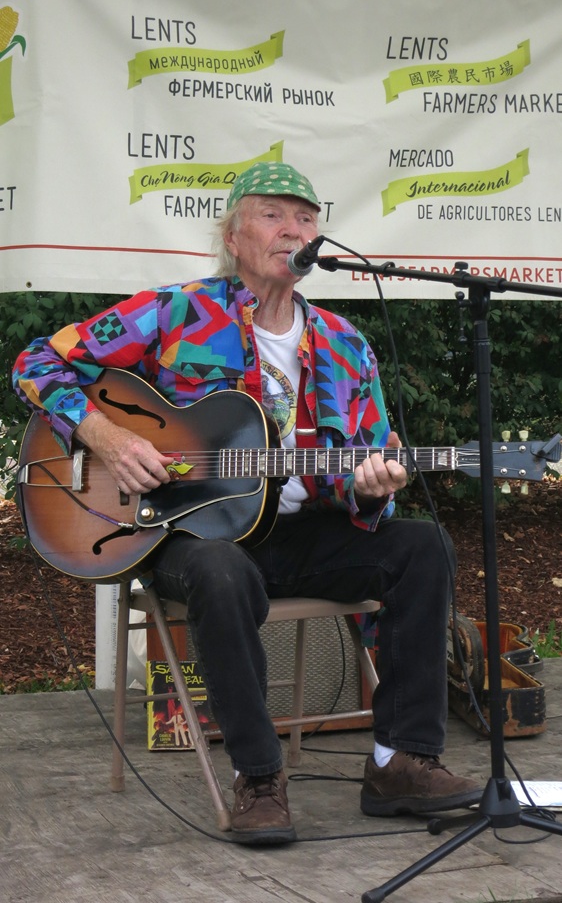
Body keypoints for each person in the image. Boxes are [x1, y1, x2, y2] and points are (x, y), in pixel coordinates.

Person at [13, 161, 483, 845]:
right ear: (234, 237)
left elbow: (369, 459)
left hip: (299, 536)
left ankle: (400, 763)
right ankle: (259, 778)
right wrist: (108, 438)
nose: (294, 229)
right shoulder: (176, 312)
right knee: (219, 570)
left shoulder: (348, 347)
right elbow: (36, 364)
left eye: (307, 217)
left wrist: (370, 485)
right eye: (273, 215)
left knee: (421, 547)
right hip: (183, 540)